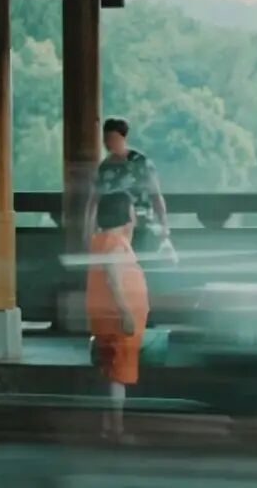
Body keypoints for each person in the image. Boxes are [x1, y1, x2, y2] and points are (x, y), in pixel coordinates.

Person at [86, 192, 149, 443]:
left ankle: (106, 428)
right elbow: (113, 279)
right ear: (123, 212)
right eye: (132, 208)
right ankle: (117, 430)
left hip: (105, 315)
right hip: (117, 318)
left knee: (111, 372)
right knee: (118, 375)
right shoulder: (114, 243)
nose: (135, 213)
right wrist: (125, 312)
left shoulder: (100, 239)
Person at [84, 117, 175, 260]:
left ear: (123, 138)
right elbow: (93, 201)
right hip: (112, 230)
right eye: (106, 139)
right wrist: (89, 232)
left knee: (140, 265)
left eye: (112, 138)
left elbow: (156, 196)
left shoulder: (141, 163)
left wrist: (164, 226)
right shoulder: (104, 168)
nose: (108, 143)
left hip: (141, 226)